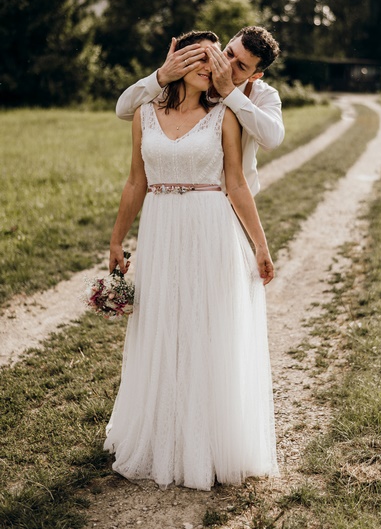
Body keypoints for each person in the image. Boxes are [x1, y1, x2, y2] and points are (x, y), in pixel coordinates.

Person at [104, 30, 278, 491]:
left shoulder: (227, 113)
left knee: (205, 329)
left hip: (210, 228)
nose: (215, 67)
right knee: (162, 327)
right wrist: (118, 239)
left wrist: (261, 245)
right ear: (178, 61)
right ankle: (164, 435)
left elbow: (237, 184)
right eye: (203, 58)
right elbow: (135, 181)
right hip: (160, 229)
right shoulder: (145, 111)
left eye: (223, 62)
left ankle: (210, 443)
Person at [116, 26, 284, 196]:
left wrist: (229, 93)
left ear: (254, 76)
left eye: (240, 66)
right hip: (186, 200)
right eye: (229, 54)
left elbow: (271, 140)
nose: (227, 64)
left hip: (235, 203)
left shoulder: (263, 95)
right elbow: (123, 110)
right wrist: (162, 76)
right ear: (226, 45)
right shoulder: (191, 80)